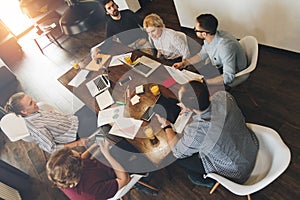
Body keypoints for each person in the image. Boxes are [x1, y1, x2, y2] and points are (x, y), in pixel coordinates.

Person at [156, 80, 258, 186]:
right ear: (208, 93)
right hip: (250, 146)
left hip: (238, 170)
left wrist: (166, 125)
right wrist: (191, 106)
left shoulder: (197, 131)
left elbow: (176, 151)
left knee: (178, 159)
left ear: (189, 108)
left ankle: (205, 180)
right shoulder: (224, 96)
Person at [173, 14, 247, 86]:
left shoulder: (225, 47)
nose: (194, 30)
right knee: (193, 79)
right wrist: (184, 63)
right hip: (219, 64)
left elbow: (228, 77)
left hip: (233, 71)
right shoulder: (212, 36)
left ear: (204, 34)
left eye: (196, 29)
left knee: (196, 86)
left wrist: (205, 82)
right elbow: (201, 55)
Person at [4, 92, 88, 154]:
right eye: (31, 103)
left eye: (31, 99)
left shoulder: (34, 110)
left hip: (73, 120)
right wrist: (78, 143)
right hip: (74, 132)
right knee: (97, 114)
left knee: (94, 105)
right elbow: (52, 149)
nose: (35, 102)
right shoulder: (37, 128)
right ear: (24, 111)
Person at [46, 140, 130, 200]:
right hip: (117, 173)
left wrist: (95, 144)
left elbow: (81, 157)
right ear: (78, 169)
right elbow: (124, 179)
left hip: (100, 166)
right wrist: (106, 153)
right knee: (128, 146)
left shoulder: (60, 177)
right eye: (78, 156)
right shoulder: (91, 193)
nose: (80, 154)